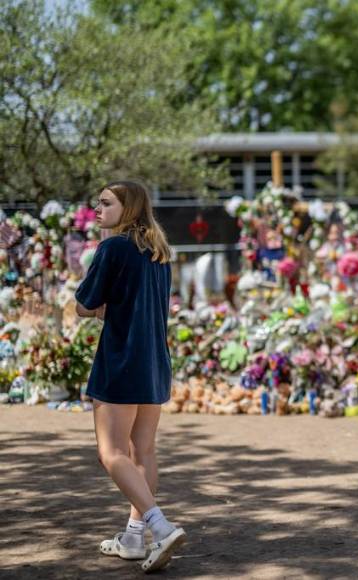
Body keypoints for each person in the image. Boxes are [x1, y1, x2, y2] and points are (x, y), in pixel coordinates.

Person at [75, 181, 186, 573]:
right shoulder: (158, 252)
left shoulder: (113, 247)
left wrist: (91, 303)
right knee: (144, 452)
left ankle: (159, 524)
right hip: (154, 360)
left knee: (111, 453)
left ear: (129, 207)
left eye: (106, 203)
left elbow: (84, 304)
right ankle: (134, 536)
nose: (97, 209)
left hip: (120, 360)